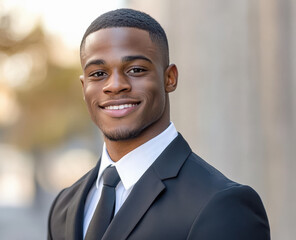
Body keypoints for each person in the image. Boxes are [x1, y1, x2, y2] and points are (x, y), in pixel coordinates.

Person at [47, 8, 270, 240]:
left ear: (169, 78)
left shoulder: (222, 205)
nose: (114, 85)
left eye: (135, 70)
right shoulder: (64, 207)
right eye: (98, 73)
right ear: (84, 87)